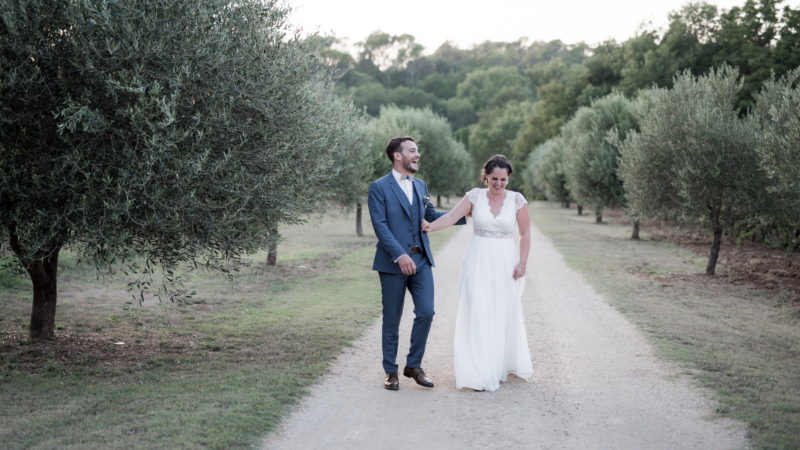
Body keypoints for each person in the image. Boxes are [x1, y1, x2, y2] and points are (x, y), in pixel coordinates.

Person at [422, 155, 533, 391]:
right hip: (477, 260)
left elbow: (525, 234)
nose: (499, 183)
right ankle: (477, 372)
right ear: (486, 177)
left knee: (499, 313)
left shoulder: (517, 200)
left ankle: (496, 364)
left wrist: (522, 263)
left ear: (508, 178)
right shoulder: (474, 196)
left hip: (505, 263)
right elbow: (452, 217)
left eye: (503, 179)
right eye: (494, 178)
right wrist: (430, 226)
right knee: (477, 311)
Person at [368, 136, 465, 391]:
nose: (417, 154)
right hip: (393, 263)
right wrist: (400, 255)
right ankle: (390, 371)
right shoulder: (378, 188)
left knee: (426, 312)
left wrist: (465, 213)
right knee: (392, 318)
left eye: (417, 150)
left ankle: (413, 365)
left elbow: (431, 216)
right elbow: (380, 226)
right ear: (397, 156)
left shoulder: (420, 185)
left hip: (421, 260)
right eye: (412, 151)